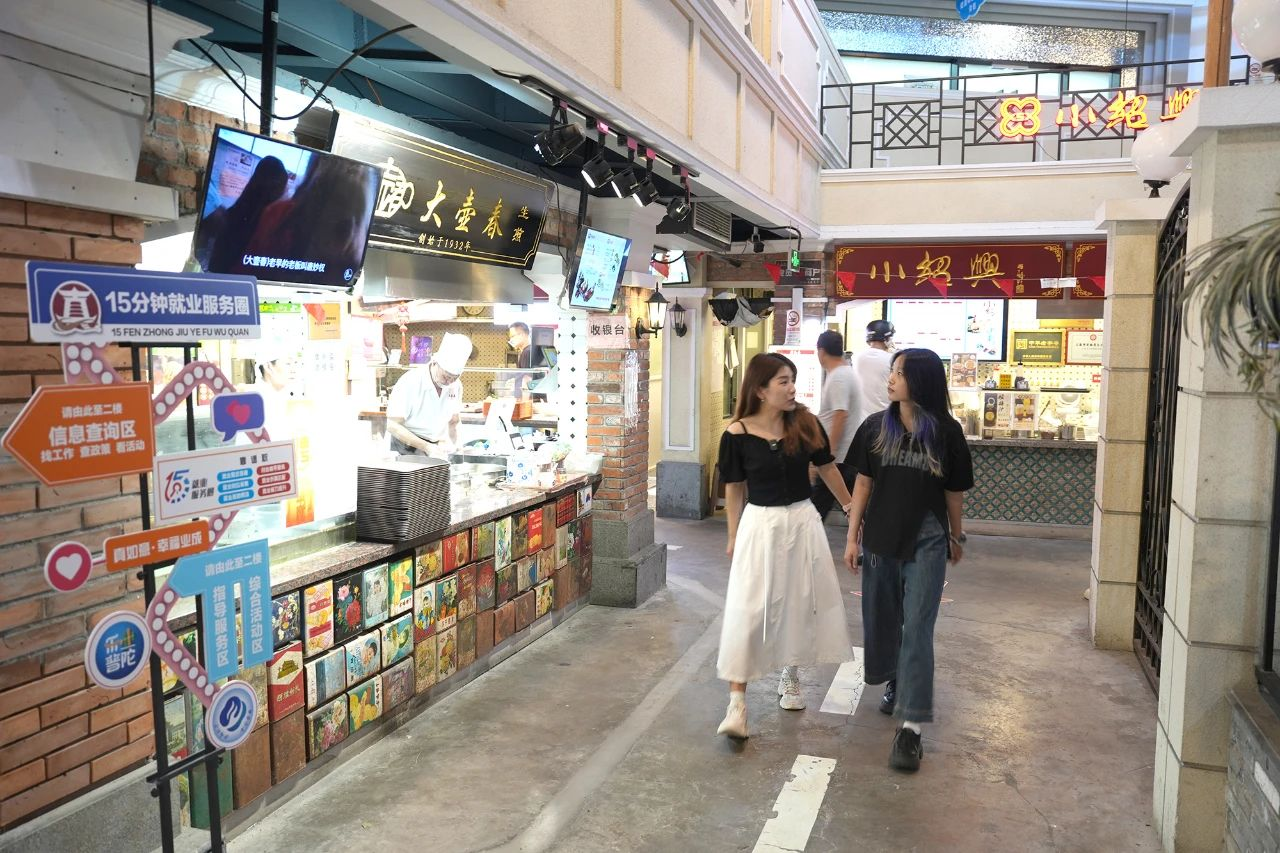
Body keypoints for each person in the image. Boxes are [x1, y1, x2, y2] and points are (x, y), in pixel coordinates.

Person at [842, 348, 974, 772]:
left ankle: (911, 730)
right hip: (880, 540)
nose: (891, 379)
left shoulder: (946, 432)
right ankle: (897, 679)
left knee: (917, 626)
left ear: (921, 380)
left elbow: (954, 491)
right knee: (884, 620)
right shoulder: (875, 428)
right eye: (892, 372)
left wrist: (955, 534)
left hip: (928, 540)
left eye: (899, 373)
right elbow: (863, 484)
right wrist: (851, 538)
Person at [716, 353, 855, 740]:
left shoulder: (806, 423)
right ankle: (737, 703)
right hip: (760, 525)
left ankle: (790, 676)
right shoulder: (737, 434)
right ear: (760, 390)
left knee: (799, 602)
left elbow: (827, 467)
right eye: (783, 381)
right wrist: (732, 535)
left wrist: (850, 508)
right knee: (749, 608)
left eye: (792, 379)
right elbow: (734, 487)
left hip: (802, 522)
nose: (792, 388)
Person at [196, 155, 288, 275]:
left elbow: (215, 264)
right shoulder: (272, 226)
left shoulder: (231, 214)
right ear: (277, 190)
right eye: (284, 190)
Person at [386, 333, 472, 456]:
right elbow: (392, 424)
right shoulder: (411, 381)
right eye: (446, 376)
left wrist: (457, 446)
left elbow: (454, 421)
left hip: (433, 446)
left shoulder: (456, 385)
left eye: (454, 378)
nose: (449, 382)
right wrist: (426, 447)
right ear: (435, 363)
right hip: (405, 446)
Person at [811, 330, 860, 521]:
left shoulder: (839, 376)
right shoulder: (844, 372)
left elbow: (840, 415)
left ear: (821, 351)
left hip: (839, 459)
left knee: (816, 510)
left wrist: (828, 454)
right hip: (843, 457)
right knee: (851, 507)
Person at [853, 319, 895, 428]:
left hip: (862, 423)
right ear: (887, 338)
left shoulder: (857, 357)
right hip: (886, 420)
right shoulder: (892, 360)